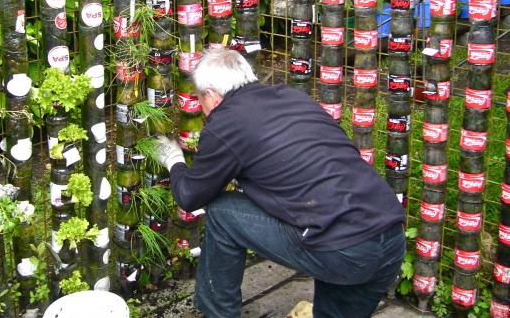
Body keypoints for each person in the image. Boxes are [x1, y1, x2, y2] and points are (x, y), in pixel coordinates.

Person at [156, 48, 406, 318]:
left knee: (222, 213)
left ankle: (218, 313)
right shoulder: (291, 97)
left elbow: (191, 196)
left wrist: (174, 161)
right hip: (390, 240)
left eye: (201, 101)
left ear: (211, 96)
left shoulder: (226, 122)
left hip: (341, 251)